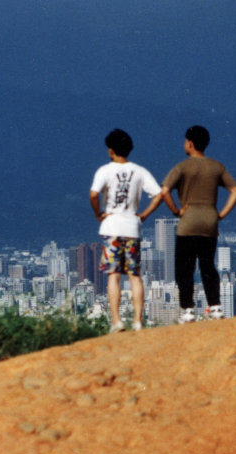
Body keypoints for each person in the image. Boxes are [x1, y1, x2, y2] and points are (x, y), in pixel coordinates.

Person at [161, 125, 236, 323]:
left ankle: (188, 310)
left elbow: (164, 191)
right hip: (209, 223)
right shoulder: (216, 167)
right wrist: (220, 214)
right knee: (208, 266)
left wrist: (176, 211)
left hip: (188, 223)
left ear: (189, 143)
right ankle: (215, 307)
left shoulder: (182, 167)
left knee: (184, 268)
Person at [90, 129, 165, 333]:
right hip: (133, 227)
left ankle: (117, 321)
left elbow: (94, 194)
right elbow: (159, 194)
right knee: (134, 275)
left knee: (113, 275)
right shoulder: (140, 171)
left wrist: (99, 214)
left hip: (112, 226)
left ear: (111, 150)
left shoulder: (104, 171)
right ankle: (138, 321)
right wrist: (144, 214)